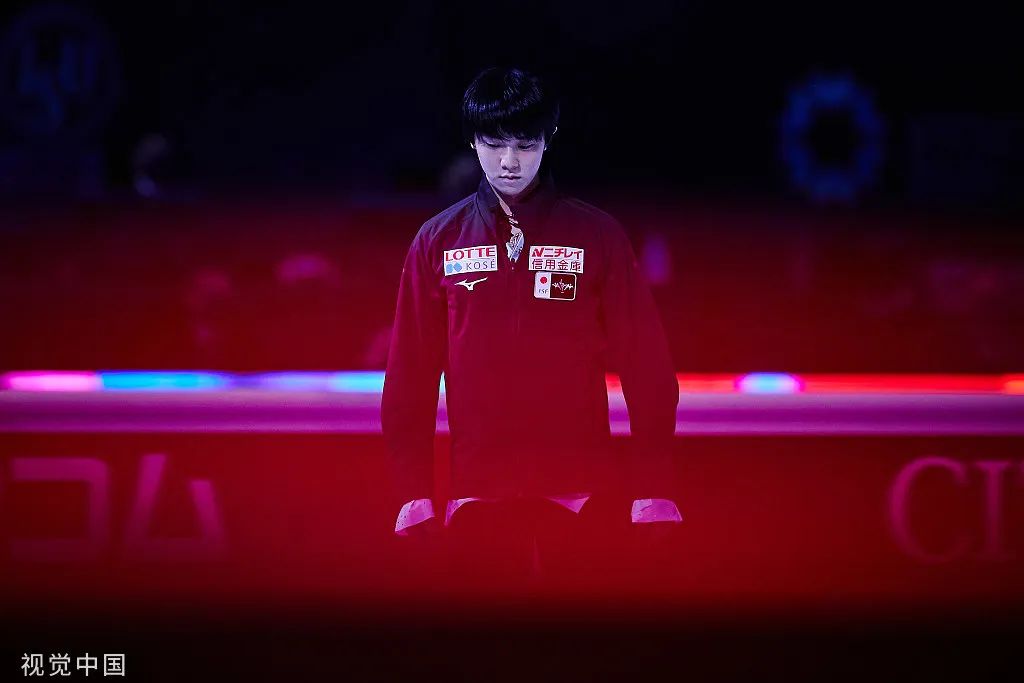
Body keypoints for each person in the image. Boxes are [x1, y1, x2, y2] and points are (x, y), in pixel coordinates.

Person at [381, 67, 681, 588]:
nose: (510, 161)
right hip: (476, 495)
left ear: (550, 137)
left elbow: (647, 367)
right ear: (472, 142)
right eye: (495, 144)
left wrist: (654, 487)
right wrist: (412, 492)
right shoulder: (437, 241)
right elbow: (410, 376)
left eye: (525, 144)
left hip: (584, 492)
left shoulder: (597, 235)